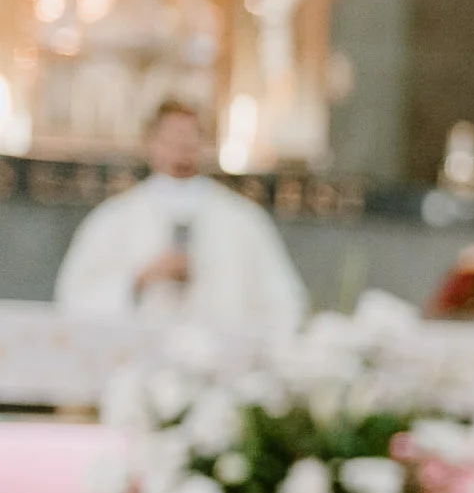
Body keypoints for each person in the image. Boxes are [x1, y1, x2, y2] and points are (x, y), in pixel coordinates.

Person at [53, 101, 308, 333]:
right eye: (172, 138)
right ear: (150, 143)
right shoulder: (115, 219)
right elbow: (73, 300)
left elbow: (284, 304)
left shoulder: (242, 220)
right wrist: (139, 280)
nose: (182, 147)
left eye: (190, 137)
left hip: (220, 358)